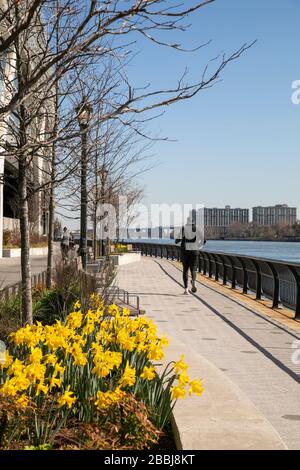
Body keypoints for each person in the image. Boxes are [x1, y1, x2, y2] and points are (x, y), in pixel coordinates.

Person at [175, 214, 206, 295]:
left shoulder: (184, 228)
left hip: (185, 252)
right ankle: (194, 281)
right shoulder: (197, 229)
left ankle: (186, 289)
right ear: (193, 222)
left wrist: (178, 240)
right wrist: (197, 246)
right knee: (193, 269)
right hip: (194, 252)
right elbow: (204, 240)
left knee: (185, 270)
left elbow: (177, 240)